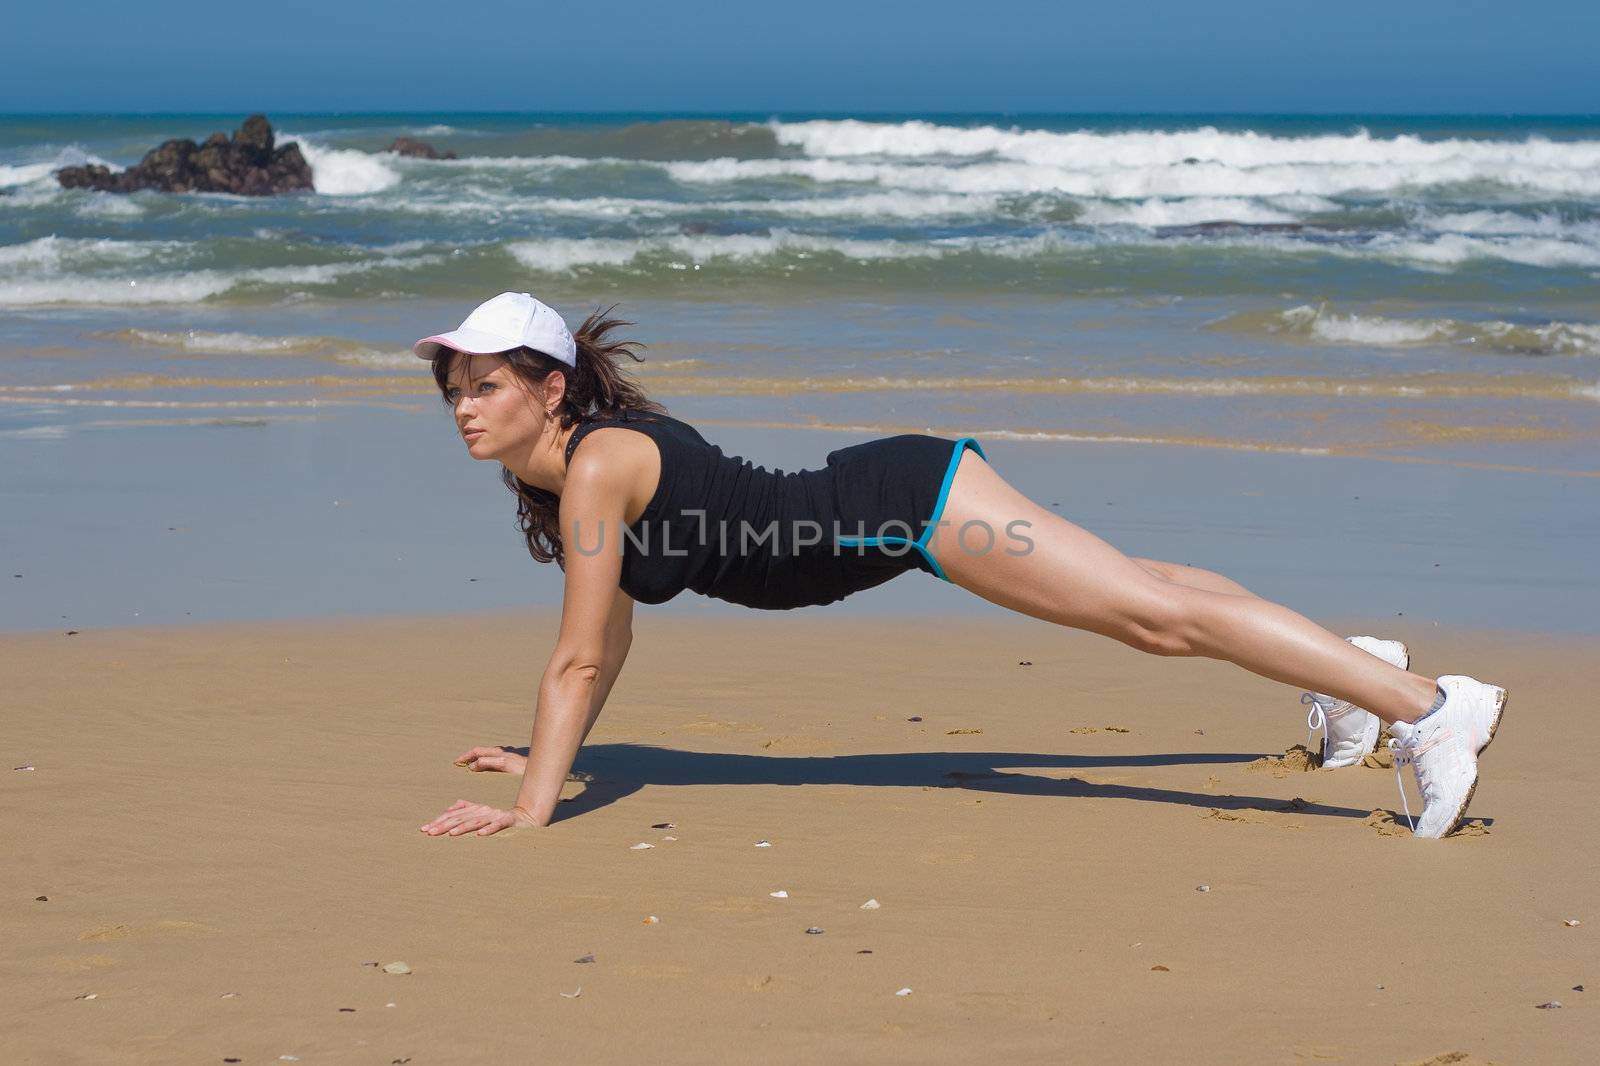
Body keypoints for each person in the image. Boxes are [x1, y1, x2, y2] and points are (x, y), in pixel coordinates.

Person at [414, 292, 1506, 842]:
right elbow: (603, 647)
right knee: (1145, 588)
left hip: (909, 511)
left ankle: (1428, 705)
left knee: (1153, 616)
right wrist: (545, 760)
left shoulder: (597, 463)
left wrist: (536, 808)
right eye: (453, 388)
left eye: (486, 387)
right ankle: (1351, 673)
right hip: (898, 513)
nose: (464, 408)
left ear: (550, 388)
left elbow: (573, 657)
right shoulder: (570, 474)